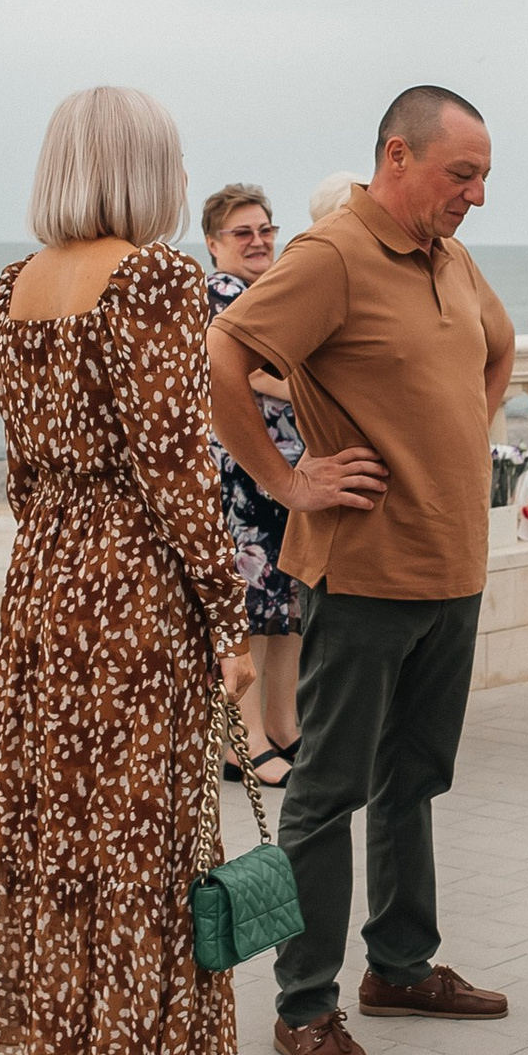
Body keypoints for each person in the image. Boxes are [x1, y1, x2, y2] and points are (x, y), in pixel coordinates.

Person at [0, 87, 256, 1055]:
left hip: (42, 589)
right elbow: (178, 468)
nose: (185, 175)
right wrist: (229, 617)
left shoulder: (20, 281)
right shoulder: (152, 279)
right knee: (138, 858)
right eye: (175, 158)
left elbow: (26, 464)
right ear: (141, 170)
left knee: (61, 847)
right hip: (131, 597)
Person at [209, 87, 517, 1055]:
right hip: (362, 570)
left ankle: (400, 965)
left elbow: (500, 344)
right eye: (459, 173)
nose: (475, 193)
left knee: (414, 777)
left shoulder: (449, 254)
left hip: (451, 564)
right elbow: (223, 351)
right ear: (397, 155)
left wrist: (454, 442)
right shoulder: (332, 254)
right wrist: (284, 477)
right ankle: (305, 1005)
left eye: (481, 175)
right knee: (327, 789)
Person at [201, 183, 304, 786]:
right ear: (214, 243)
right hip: (245, 473)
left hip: (282, 472)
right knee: (253, 614)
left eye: (266, 229)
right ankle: (244, 743)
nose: (259, 240)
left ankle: (283, 725)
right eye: (243, 232)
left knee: (284, 608)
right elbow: (250, 373)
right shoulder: (221, 292)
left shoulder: (264, 290)